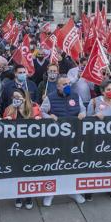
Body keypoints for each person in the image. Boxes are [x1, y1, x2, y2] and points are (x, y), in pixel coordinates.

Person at [40, 75, 86, 207]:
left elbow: (82, 109)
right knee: (55, 166)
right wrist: (49, 116)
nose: (67, 86)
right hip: (57, 139)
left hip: (74, 137)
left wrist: (83, 113)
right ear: (58, 86)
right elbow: (42, 111)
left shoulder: (76, 96)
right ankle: (50, 193)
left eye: (68, 83)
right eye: (64, 84)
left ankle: (73, 191)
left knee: (73, 165)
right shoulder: (50, 97)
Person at [85, 80, 111, 200]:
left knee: (109, 165)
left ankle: (109, 188)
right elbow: (87, 120)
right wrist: (95, 117)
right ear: (102, 92)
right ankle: (89, 189)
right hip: (96, 140)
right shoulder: (94, 102)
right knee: (94, 165)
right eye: (108, 90)